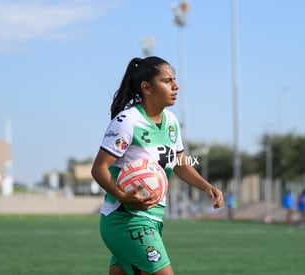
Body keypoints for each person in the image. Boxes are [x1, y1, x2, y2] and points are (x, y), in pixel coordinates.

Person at [91, 56, 224, 275]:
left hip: (152, 220)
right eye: (167, 80)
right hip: (127, 219)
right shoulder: (128, 121)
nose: (176, 86)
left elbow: (180, 164)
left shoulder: (171, 122)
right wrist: (122, 195)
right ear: (146, 87)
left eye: (175, 79)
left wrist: (206, 186)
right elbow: (99, 168)